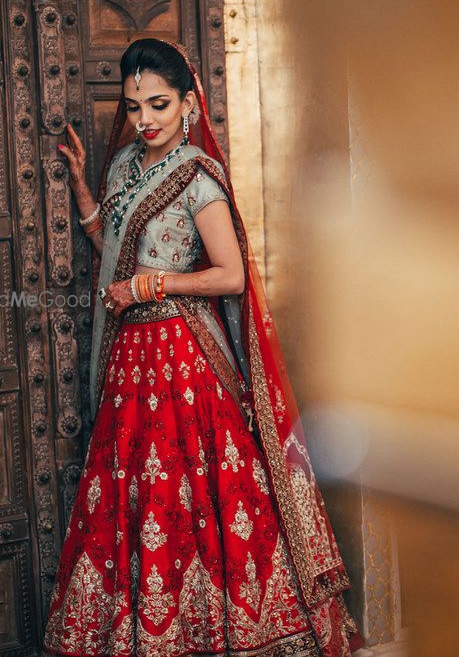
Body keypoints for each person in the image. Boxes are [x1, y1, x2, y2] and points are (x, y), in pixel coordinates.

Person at [41, 38, 364, 657]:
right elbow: (113, 242)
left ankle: (228, 631)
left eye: (159, 104)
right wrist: (84, 187)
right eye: (134, 107)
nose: (146, 120)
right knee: (137, 497)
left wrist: (151, 284)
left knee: (192, 494)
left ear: (189, 102)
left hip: (186, 363)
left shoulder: (198, 176)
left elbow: (231, 275)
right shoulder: (122, 167)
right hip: (131, 363)